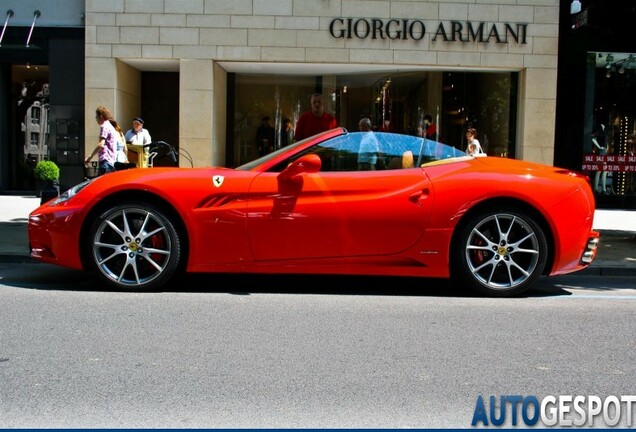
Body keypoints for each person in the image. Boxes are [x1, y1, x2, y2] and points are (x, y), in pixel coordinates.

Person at [85, 105, 118, 176]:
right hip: (112, 161)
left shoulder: (104, 126)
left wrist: (90, 157)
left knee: (102, 184)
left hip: (105, 160)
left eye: (96, 117)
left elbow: (101, 144)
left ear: (101, 116)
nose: (96, 119)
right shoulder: (110, 126)